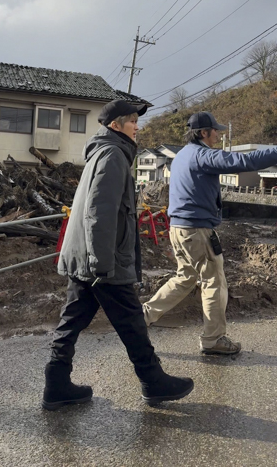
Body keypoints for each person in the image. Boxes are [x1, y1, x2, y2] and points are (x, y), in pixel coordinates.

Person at [42, 99, 194, 410]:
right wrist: (102, 263)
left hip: (88, 256)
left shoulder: (104, 151)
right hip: (103, 259)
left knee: (72, 321)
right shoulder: (112, 154)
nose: (138, 126)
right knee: (131, 321)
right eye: (133, 121)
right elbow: (101, 211)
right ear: (116, 125)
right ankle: (153, 381)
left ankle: (56, 384)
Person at [143, 111, 277, 355]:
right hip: (197, 230)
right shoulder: (202, 155)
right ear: (203, 133)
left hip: (179, 228)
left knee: (185, 277)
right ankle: (213, 339)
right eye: (215, 130)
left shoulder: (183, 155)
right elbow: (244, 162)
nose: (218, 134)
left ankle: (142, 318)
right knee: (214, 281)